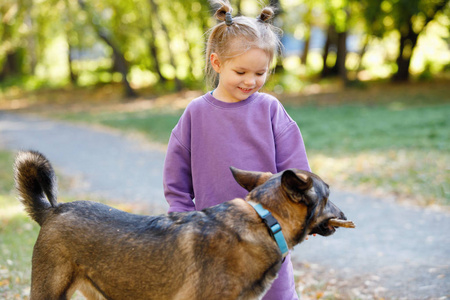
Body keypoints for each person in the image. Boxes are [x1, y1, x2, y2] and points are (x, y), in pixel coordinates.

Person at [163, 1, 310, 299]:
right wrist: (184, 223)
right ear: (217, 63)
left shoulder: (271, 110)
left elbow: (297, 173)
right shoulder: (196, 114)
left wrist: (302, 210)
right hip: (212, 238)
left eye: (260, 72)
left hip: (270, 236)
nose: (251, 81)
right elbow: (176, 179)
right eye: (241, 71)